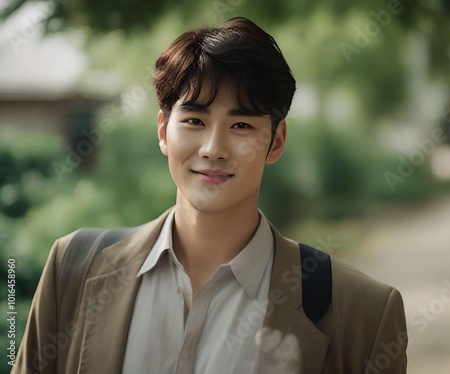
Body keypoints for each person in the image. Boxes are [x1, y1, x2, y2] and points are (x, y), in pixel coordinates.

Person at [12, 17, 407, 374]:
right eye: (195, 121)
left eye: (240, 125)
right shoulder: (74, 269)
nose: (214, 148)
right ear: (164, 130)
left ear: (276, 141)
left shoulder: (361, 313)